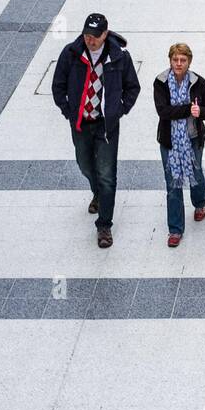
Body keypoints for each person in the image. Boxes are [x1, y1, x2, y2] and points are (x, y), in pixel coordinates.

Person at [51, 12, 141, 250]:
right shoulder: (71, 54)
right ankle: (97, 193)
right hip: (80, 123)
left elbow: (133, 87)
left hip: (106, 126)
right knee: (84, 164)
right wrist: (68, 111)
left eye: (94, 36)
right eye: (86, 35)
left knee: (107, 174)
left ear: (105, 34)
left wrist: (120, 110)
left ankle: (104, 225)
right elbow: (58, 85)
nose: (90, 40)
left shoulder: (119, 58)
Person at [155, 43, 205, 246]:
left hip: (193, 138)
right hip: (169, 141)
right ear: (170, 60)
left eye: (183, 60)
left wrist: (200, 112)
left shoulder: (198, 82)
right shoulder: (161, 82)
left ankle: (199, 203)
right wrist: (187, 109)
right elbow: (163, 111)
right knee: (173, 183)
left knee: (195, 172)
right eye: (175, 60)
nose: (179, 64)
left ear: (189, 62)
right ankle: (175, 230)